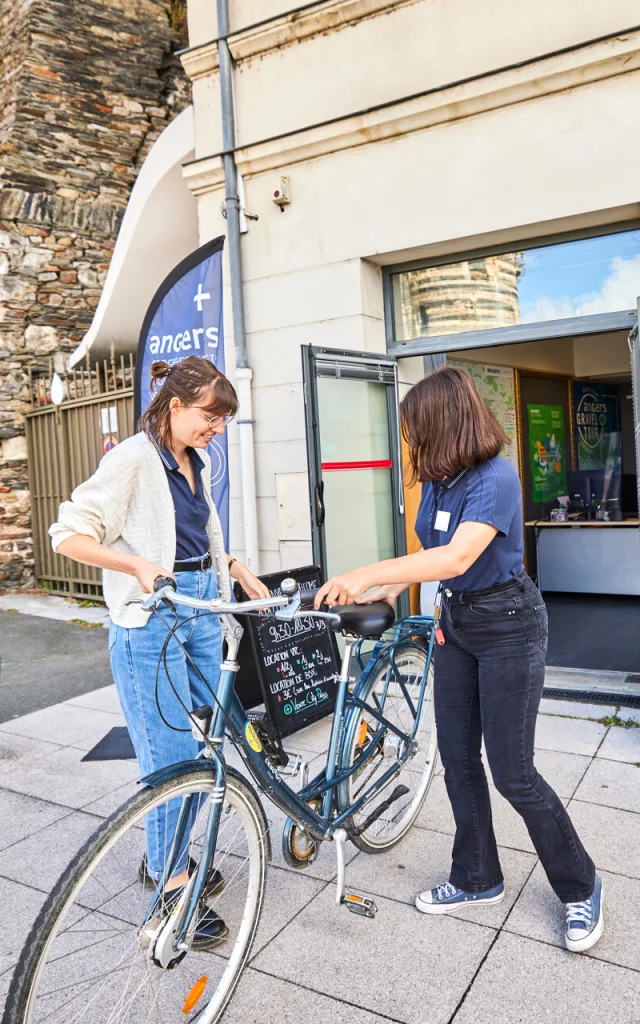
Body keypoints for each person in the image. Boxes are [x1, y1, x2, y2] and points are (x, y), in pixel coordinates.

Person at [315, 365, 603, 954]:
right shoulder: (442, 479)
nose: (411, 440)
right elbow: (431, 552)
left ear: (445, 422)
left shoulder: (494, 477)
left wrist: (368, 571)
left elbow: (456, 557)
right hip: (458, 626)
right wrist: (392, 587)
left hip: (508, 627)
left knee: (512, 772)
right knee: (456, 759)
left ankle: (581, 886)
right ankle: (477, 877)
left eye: (417, 428)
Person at [49, 355, 269, 948]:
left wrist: (234, 566)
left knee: (214, 735)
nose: (216, 429)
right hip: (152, 621)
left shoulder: (192, 460)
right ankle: (171, 892)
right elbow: (67, 533)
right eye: (209, 417)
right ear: (174, 407)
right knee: (170, 754)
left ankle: (163, 860)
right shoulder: (132, 460)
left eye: (222, 421)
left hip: (199, 609)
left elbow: (193, 539)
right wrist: (135, 565)